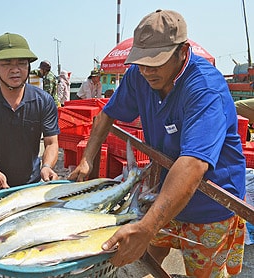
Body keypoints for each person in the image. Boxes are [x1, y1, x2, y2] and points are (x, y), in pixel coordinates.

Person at [68, 9, 246, 278]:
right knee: (145, 257)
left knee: (204, 273)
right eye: (141, 62)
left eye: (156, 62)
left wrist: (147, 227)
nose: (146, 71)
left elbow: (193, 164)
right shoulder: (138, 76)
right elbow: (108, 114)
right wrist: (87, 159)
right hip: (165, 190)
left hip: (212, 201)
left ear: (182, 51)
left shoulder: (205, 88)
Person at [0, 32, 60, 199]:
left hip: (31, 184)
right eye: (6, 64)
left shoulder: (44, 101)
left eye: (21, 63)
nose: (15, 70)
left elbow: (51, 142)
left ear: (29, 66)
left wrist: (47, 166)